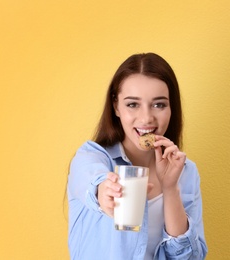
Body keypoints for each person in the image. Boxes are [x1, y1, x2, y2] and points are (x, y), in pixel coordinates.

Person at [67, 53, 208, 259]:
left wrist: (170, 189)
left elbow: (189, 257)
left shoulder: (186, 172)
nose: (146, 118)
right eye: (132, 104)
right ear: (116, 106)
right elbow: (93, 181)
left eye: (159, 104)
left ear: (171, 108)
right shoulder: (91, 158)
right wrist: (105, 192)